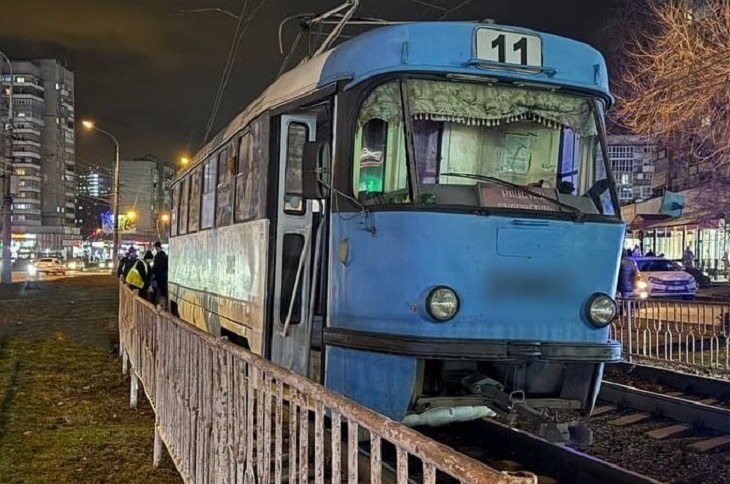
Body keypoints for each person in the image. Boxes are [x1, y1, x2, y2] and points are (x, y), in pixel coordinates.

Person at [151, 241, 168, 309]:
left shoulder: (158, 256)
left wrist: (153, 274)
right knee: (163, 292)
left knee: (158, 291)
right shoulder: (165, 255)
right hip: (164, 277)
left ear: (157, 247)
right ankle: (162, 306)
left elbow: (156, 267)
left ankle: (157, 305)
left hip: (159, 277)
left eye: (155, 248)